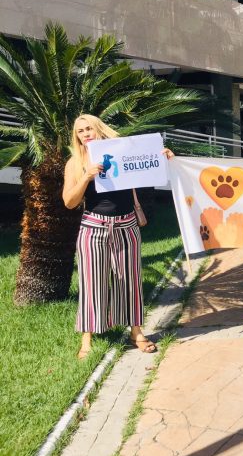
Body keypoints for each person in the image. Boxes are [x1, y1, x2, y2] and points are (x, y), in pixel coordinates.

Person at [62, 114, 175, 359]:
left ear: (99, 129)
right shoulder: (75, 162)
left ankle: (136, 332)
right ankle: (87, 337)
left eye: (89, 128)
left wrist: (162, 158)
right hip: (94, 228)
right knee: (92, 282)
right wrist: (86, 177)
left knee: (130, 280)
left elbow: (145, 168)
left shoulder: (122, 152)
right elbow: (69, 201)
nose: (86, 134)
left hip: (126, 225)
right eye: (80, 131)